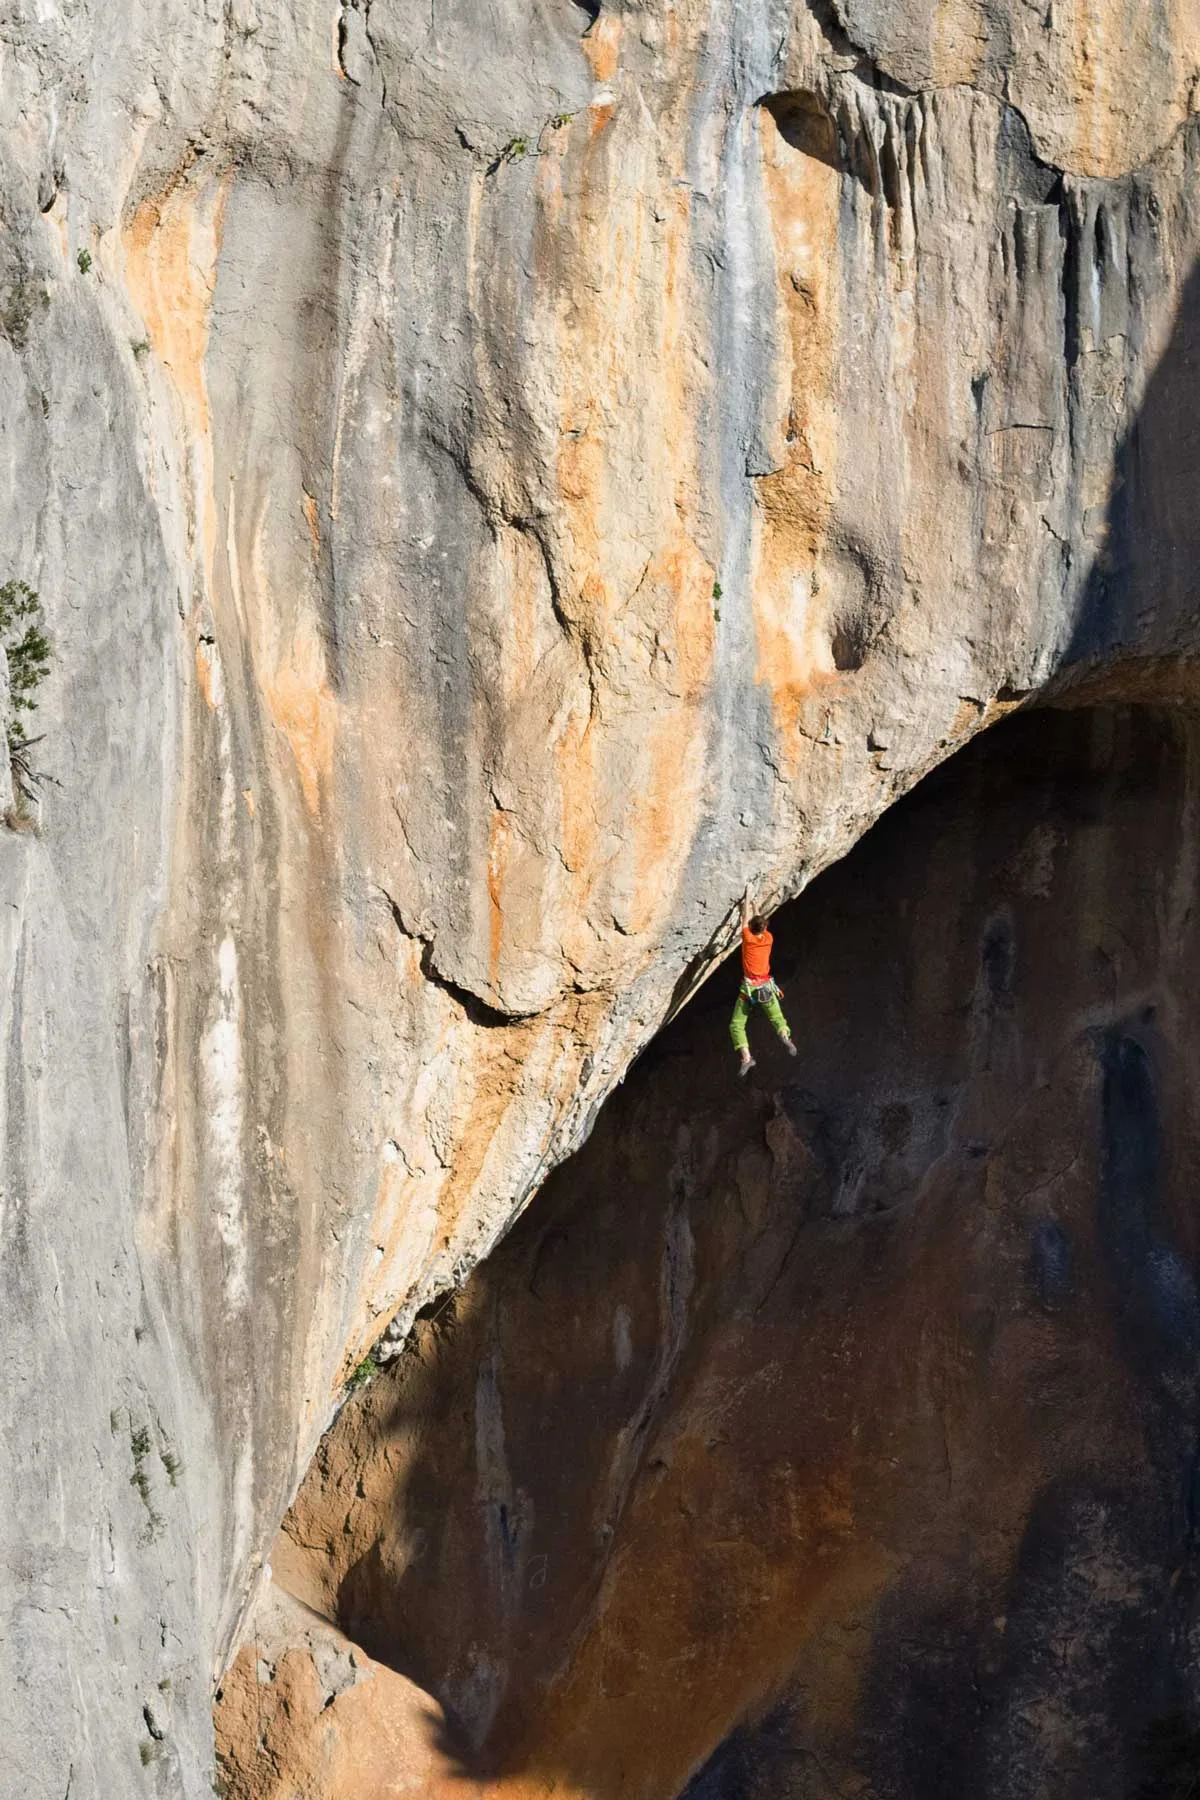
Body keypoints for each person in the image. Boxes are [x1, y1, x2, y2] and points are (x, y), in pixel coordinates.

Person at [730, 889, 797, 1077]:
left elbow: (745, 919)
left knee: (737, 1024)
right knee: (777, 1017)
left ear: (751, 928)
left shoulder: (748, 939)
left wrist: (747, 898)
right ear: (764, 927)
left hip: (749, 989)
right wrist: (754, 904)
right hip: (766, 986)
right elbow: (758, 921)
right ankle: (784, 1035)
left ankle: (746, 1058)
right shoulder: (768, 938)